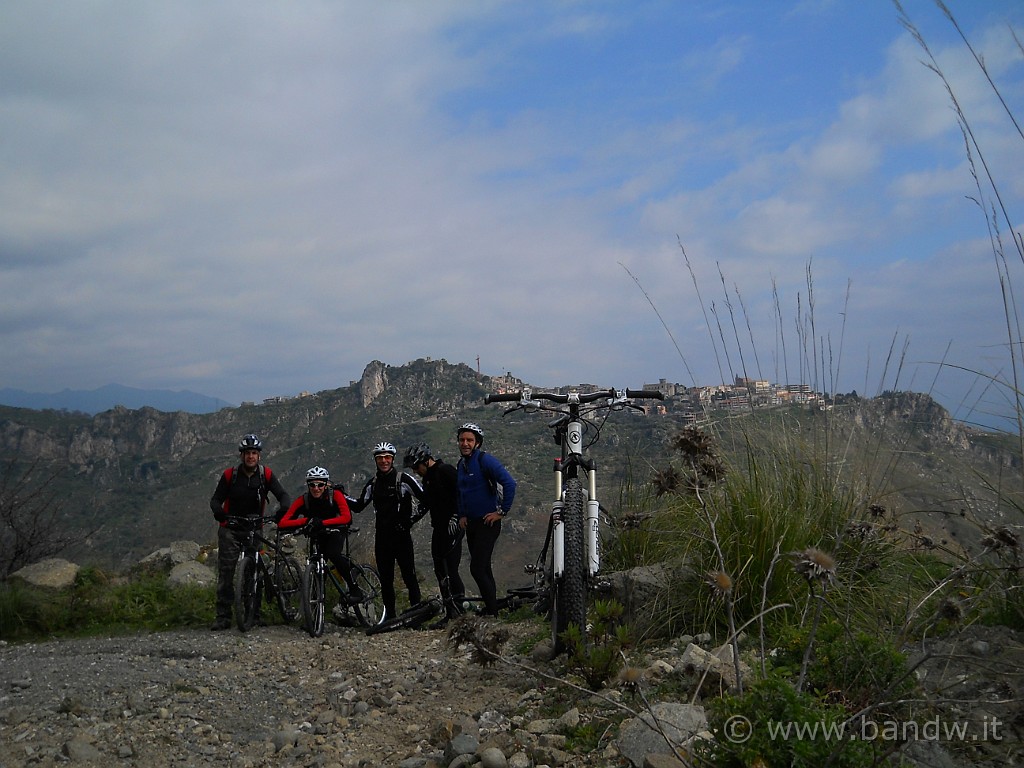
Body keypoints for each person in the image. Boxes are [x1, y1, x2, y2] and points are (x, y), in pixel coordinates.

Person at [209, 434, 291, 630]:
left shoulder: (266, 475)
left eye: (254, 453)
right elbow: (215, 499)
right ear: (242, 456)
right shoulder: (230, 475)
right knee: (226, 573)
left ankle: (254, 615)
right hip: (230, 528)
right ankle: (223, 617)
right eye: (247, 453)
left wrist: (283, 509)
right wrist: (219, 512)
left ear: (259, 456)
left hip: (255, 528)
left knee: (256, 572)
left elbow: (283, 494)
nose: (251, 457)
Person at [345, 442, 426, 622]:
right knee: (386, 579)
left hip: (402, 537)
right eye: (380, 458)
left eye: (387, 457)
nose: (384, 461)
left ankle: (416, 616)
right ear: (375, 460)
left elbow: (425, 499)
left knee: (409, 576)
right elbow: (359, 505)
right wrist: (341, 495)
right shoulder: (373, 483)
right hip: (382, 537)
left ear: (393, 459)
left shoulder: (403, 479)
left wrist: (411, 520)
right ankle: (390, 616)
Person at [455, 422, 516, 616]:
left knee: (477, 568)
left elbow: (509, 483)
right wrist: (462, 514)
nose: (465, 443)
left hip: (488, 523)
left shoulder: (485, 460)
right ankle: (493, 609)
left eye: (469, 440)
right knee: (484, 567)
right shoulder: (461, 464)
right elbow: (462, 492)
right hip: (472, 524)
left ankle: (492, 612)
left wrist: (502, 512)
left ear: (478, 443)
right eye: (462, 440)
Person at [278, 466, 364, 602]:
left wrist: (323, 523)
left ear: (326, 485)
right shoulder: (304, 500)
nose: (316, 488)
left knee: (333, 554)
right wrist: (307, 521)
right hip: (317, 534)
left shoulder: (335, 495)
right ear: (308, 485)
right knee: (316, 560)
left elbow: (346, 517)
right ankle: (315, 603)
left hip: (336, 530)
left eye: (320, 484)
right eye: (312, 484)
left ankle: (355, 589)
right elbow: (283, 523)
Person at [404, 442, 465, 626]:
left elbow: (462, 493)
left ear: (425, 460)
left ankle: (459, 613)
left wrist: (458, 516)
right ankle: (450, 612)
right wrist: (411, 519)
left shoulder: (445, 471)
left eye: (416, 467)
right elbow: (429, 503)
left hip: (452, 527)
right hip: (438, 528)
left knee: (451, 570)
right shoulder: (428, 478)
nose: (415, 471)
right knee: (440, 570)